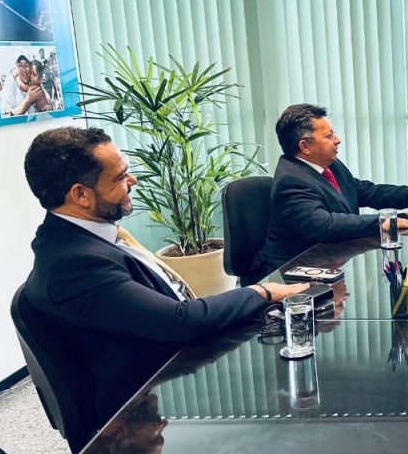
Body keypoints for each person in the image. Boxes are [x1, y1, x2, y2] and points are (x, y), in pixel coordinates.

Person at [22, 127, 307, 431]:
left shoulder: (86, 237)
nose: (133, 181)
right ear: (81, 195)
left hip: (173, 360)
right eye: (120, 177)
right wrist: (261, 291)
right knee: (290, 403)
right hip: (147, 400)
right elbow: (179, 321)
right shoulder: (73, 264)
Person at [252, 103, 408, 278]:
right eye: (329, 136)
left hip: (329, 260)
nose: (337, 140)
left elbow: (364, 191)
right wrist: (381, 222)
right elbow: (324, 225)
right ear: (304, 146)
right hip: (294, 274)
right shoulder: (291, 180)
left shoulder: (328, 164)